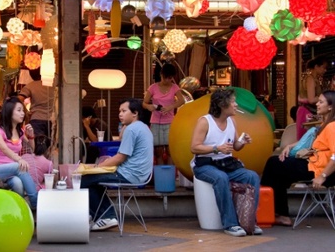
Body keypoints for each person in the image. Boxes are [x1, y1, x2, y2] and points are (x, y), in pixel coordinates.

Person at [190, 88, 262, 237]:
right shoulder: (205, 121)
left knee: (252, 176)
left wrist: (243, 141)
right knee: (220, 178)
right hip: (205, 165)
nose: (236, 105)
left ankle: (249, 221)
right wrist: (216, 149)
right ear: (223, 105)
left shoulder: (232, 121)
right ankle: (230, 223)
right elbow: (194, 147)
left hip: (227, 163)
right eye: (233, 102)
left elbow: (235, 146)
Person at [261, 90, 335, 226]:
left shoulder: (332, 127)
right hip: (313, 164)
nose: (317, 104)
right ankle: (279, 213)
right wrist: (290, 146)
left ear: (330, 107)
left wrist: (322, 176)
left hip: (319, 170)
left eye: (321, 102)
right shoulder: (324, 125)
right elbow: (309, 142)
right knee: (278, 171)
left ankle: (266, 209)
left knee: (274, 164)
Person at [81, 98, 153, 231]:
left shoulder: (132, 129)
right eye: (119, 111)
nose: (120, 114)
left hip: (129, 175)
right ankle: (99, 215)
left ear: (135, 113)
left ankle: (106, 216)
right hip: (140, 175)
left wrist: (98, 167)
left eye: (124, 111)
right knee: (95, 180)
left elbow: (120, 157)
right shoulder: (143, 127)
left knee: (84, 180)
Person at [0, 96, 38, 209]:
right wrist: (19, 159)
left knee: (17, 183)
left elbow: (32, 149)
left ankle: (19, 210)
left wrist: (31, 135)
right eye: (19, 110)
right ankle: (35, 203)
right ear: (10, 112)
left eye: (23, 111)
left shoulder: (20, 132)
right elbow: (5, 149)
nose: (22, 114)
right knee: (18, 167)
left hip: (12, 172)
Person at [142, 63, 185, 165]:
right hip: (156, 122)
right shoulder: (153, 87)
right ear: (161, 75)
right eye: (165, 77)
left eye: (170, 78)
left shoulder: (174, 87)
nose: (167, 80)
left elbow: (181, 101)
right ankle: (161, 174)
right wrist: (149, 107)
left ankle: (170, 175)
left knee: (171, 151)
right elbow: (144, 103)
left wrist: (170, 107)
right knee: (158, 151)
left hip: (170, 122)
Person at [296, 55, 328, 139]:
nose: (325, 70)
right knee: (307, 139)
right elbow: (311, 99)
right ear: (316, 66)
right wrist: (324, 97)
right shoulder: (310, 79)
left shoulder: (313, 79)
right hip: (306, 112)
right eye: (323, 68)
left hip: (307, 111)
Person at [18, 68, 54, 137]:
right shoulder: (52, 83)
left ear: (31, 75)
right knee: (50, 144)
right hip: (51, 119)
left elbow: (18, 100)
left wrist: (26, 111)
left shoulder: (29, 86)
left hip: (36, 119)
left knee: (38, 144)